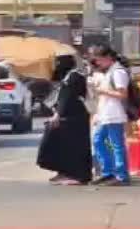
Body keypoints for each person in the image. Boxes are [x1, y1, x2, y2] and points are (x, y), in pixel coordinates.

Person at [36, 54, 92, 186]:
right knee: (59, 145)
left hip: (74, 117)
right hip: (66, 116)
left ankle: (78, 175)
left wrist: (58, 115)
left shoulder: (74, 77)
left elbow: (69, 98)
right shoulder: (67, 77)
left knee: (74, 147)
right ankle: (64, 171)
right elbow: (61, 98)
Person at [90, 45, 131, 186]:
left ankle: (121, 175)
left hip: (114, 113)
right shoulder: (109, 72)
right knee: (97, 141)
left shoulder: (118, 72)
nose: (98, 63)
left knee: (116, 144)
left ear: (108, 58)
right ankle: (108, 172)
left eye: (100, 60)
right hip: (105, 113)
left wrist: (103, 91)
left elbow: (123, 94)